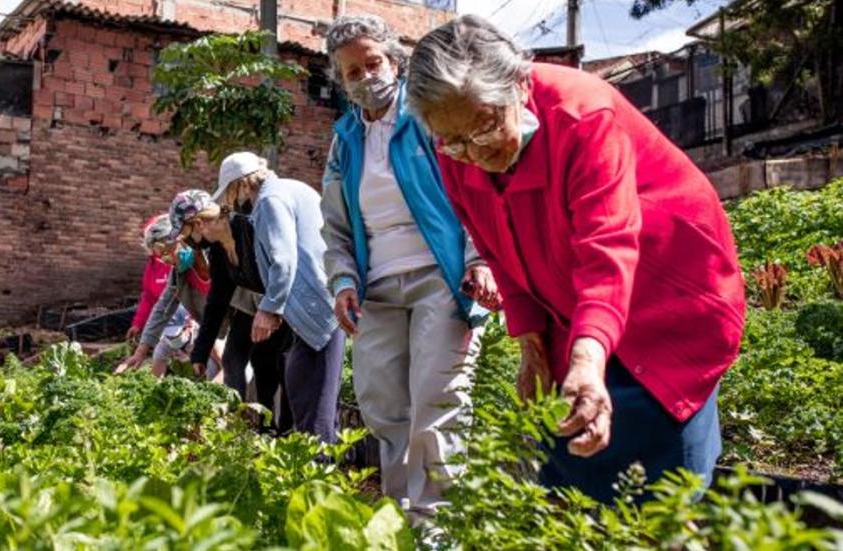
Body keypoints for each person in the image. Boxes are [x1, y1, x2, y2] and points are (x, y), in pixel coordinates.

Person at [405, 15, 746, 504]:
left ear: (520, 84)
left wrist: (587, 361)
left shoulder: (581, 115)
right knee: (568, 460)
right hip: (569, 298)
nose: (473, 153)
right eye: (453, 140)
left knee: (660, 487)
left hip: (666, 291)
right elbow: (500, 250)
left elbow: (608, 246)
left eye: (483, 127)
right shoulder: (454, 149)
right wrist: (532, 347)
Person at [320, 14, 493, 515]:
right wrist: (343, 280)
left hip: (440, 279)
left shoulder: (426, 118)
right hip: (376, 291)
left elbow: (473, 191)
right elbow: (334, 225)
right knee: (384, 409)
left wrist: (480, 259)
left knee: (435, 404)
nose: (365, 77)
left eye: (372, 63)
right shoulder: (345, 140)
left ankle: (437, 529)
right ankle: (402, 520)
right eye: (352, 72)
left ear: (395, 61)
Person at [218, 151, 345, 444]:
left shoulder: (271, 200)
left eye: (231, 191)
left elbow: (284, 259)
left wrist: (269, 308)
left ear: (241, 184)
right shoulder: (289, 188)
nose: (232, 200)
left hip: (317, 308)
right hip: (320, 305)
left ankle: (319, 475)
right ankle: (314, 467)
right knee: (302, 383)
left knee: (315, 399)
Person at [170, 189, 294, 433]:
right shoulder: (218, 249)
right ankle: (250, 427)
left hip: (285, 305)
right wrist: (200, 352)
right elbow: (217, 299)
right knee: (237, 357)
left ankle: (287, 432)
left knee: (280, 364)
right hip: (255, 308)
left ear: (197, 223)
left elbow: (282, 269)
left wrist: (272, 311)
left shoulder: (246, 228)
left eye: (185, 234)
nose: (186, 242)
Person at [116, 214, 221, 378]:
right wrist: (140, 352)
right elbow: (162, 306)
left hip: (235, 329)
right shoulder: (179, 272)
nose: (167, 261)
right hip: (211, 331)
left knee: (226, 364)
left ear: (181, 238)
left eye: (167, 252)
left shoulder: (218, 259)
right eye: (161, 258)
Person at [125, 216, 174, 343]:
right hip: (163, 325)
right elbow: (148, 297)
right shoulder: (152, 266)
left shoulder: (179, 263)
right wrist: (138, 324)